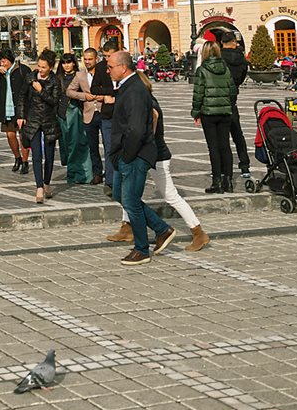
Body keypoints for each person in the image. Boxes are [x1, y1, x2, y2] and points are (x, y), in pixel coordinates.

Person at [107, 72, 210, 252]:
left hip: (157, 157)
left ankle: (198, 231)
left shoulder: (150, 105)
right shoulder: (144, 101)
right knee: (128, 193)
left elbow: (149, 134)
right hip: (148, 155)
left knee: (170, 195)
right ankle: (127, 226)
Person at [107, 51, 174, 265]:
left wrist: (127, 155)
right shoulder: (126, 86)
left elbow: (136, 129)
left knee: (131, 200)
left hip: (135, 154)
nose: (108, 71)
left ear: (123, 68)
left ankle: (142, 248)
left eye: (110, 67)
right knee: (120, 194)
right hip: (123, 154)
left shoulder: (135, 90)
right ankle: (162, 229)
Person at [191, 40, 235, 194]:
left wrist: (195, 112)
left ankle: (217, 181)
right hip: (225, 113)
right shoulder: (225, 69)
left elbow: (198, 94)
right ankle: (228, 180)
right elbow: (232, 91)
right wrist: (229, 105)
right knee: (225, 146)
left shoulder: (202, 70)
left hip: (209, 113)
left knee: (213, 148)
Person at [21, 50, 62, 204]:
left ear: (50, 67)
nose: (40, 69)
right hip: (33, 119)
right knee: (36, 154)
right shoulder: (30, 77)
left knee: (49, 156)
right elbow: (22, 97)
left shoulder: (55, 80)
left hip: (49, 120)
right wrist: (21, 116)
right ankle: (39, 186)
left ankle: (47, 183)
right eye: (39, 66)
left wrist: (41, 90)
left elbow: (54, 101)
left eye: (44, 67)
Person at [67, 47, 111, 187]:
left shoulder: (105, 72)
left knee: (108, 145)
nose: (87, 62)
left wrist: (103, 96)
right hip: (89, 114)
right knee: (93, 146)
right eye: (85, 59)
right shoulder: (80, 75)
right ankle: (97, 173)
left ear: (96, 59)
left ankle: (110, 175)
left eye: (90, 59)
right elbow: (69, 91)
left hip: (104, 112)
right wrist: (84, 96)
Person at [218, 32, 252, 181]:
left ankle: (224, 170)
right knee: (238, 134)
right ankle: (245, 166)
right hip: (233, 98)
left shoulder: (219, 59)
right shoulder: (241, 59)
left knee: (222, 137)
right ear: (234, 42)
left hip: (220, 98)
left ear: (221, 42)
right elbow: (243, 75)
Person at [0, 49, 30, 174]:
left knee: (22, 136)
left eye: (4, 61)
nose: (2, 63)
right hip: (6, 108)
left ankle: (25, 161)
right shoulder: (1, 72)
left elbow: (29, 90)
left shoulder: (22, 70)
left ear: (10, 60)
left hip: (20, 108)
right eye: (0, 61)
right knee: (10, 135)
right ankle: (17, 157)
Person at [56, 53, 92, 185]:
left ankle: (80, 173)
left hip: (76, 112)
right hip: (61, 113)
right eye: (64, 63)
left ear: (73, 63)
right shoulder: (57, 77)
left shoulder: (79, 76)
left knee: (77, 143)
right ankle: (72, 171)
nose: (66, 65)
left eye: (69, 62)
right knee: (65, 144)